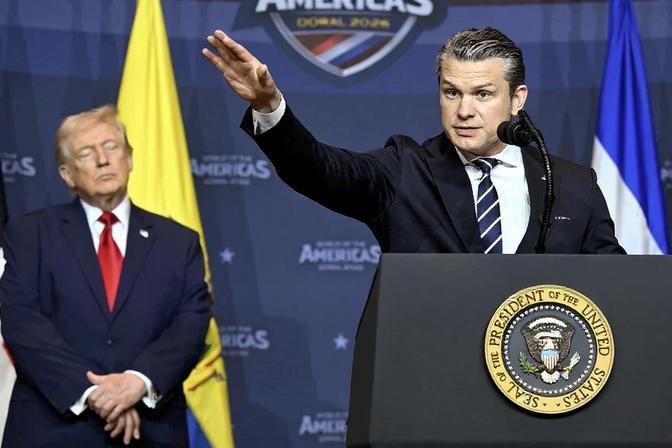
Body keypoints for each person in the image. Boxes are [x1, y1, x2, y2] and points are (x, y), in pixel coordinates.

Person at [202, 27, 624, 254]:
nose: (463, 110)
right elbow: (318, 169)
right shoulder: (405, 170)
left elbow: (617, 290)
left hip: (542, 397)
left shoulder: (572, 185)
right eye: (451, 92)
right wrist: (270, 105)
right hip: (427, 390)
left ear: (517, 99)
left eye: (482, 94)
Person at [0, 106, 211, 446]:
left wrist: (137, 383)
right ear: (68, 174)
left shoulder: (179, 241)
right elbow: (22, 324)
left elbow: (190, 324)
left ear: (129, 158)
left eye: (112, 147)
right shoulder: (29, 235)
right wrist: (93, 394)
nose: (102, 159)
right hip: (54, 430)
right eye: (87, 152)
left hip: (149, 430)